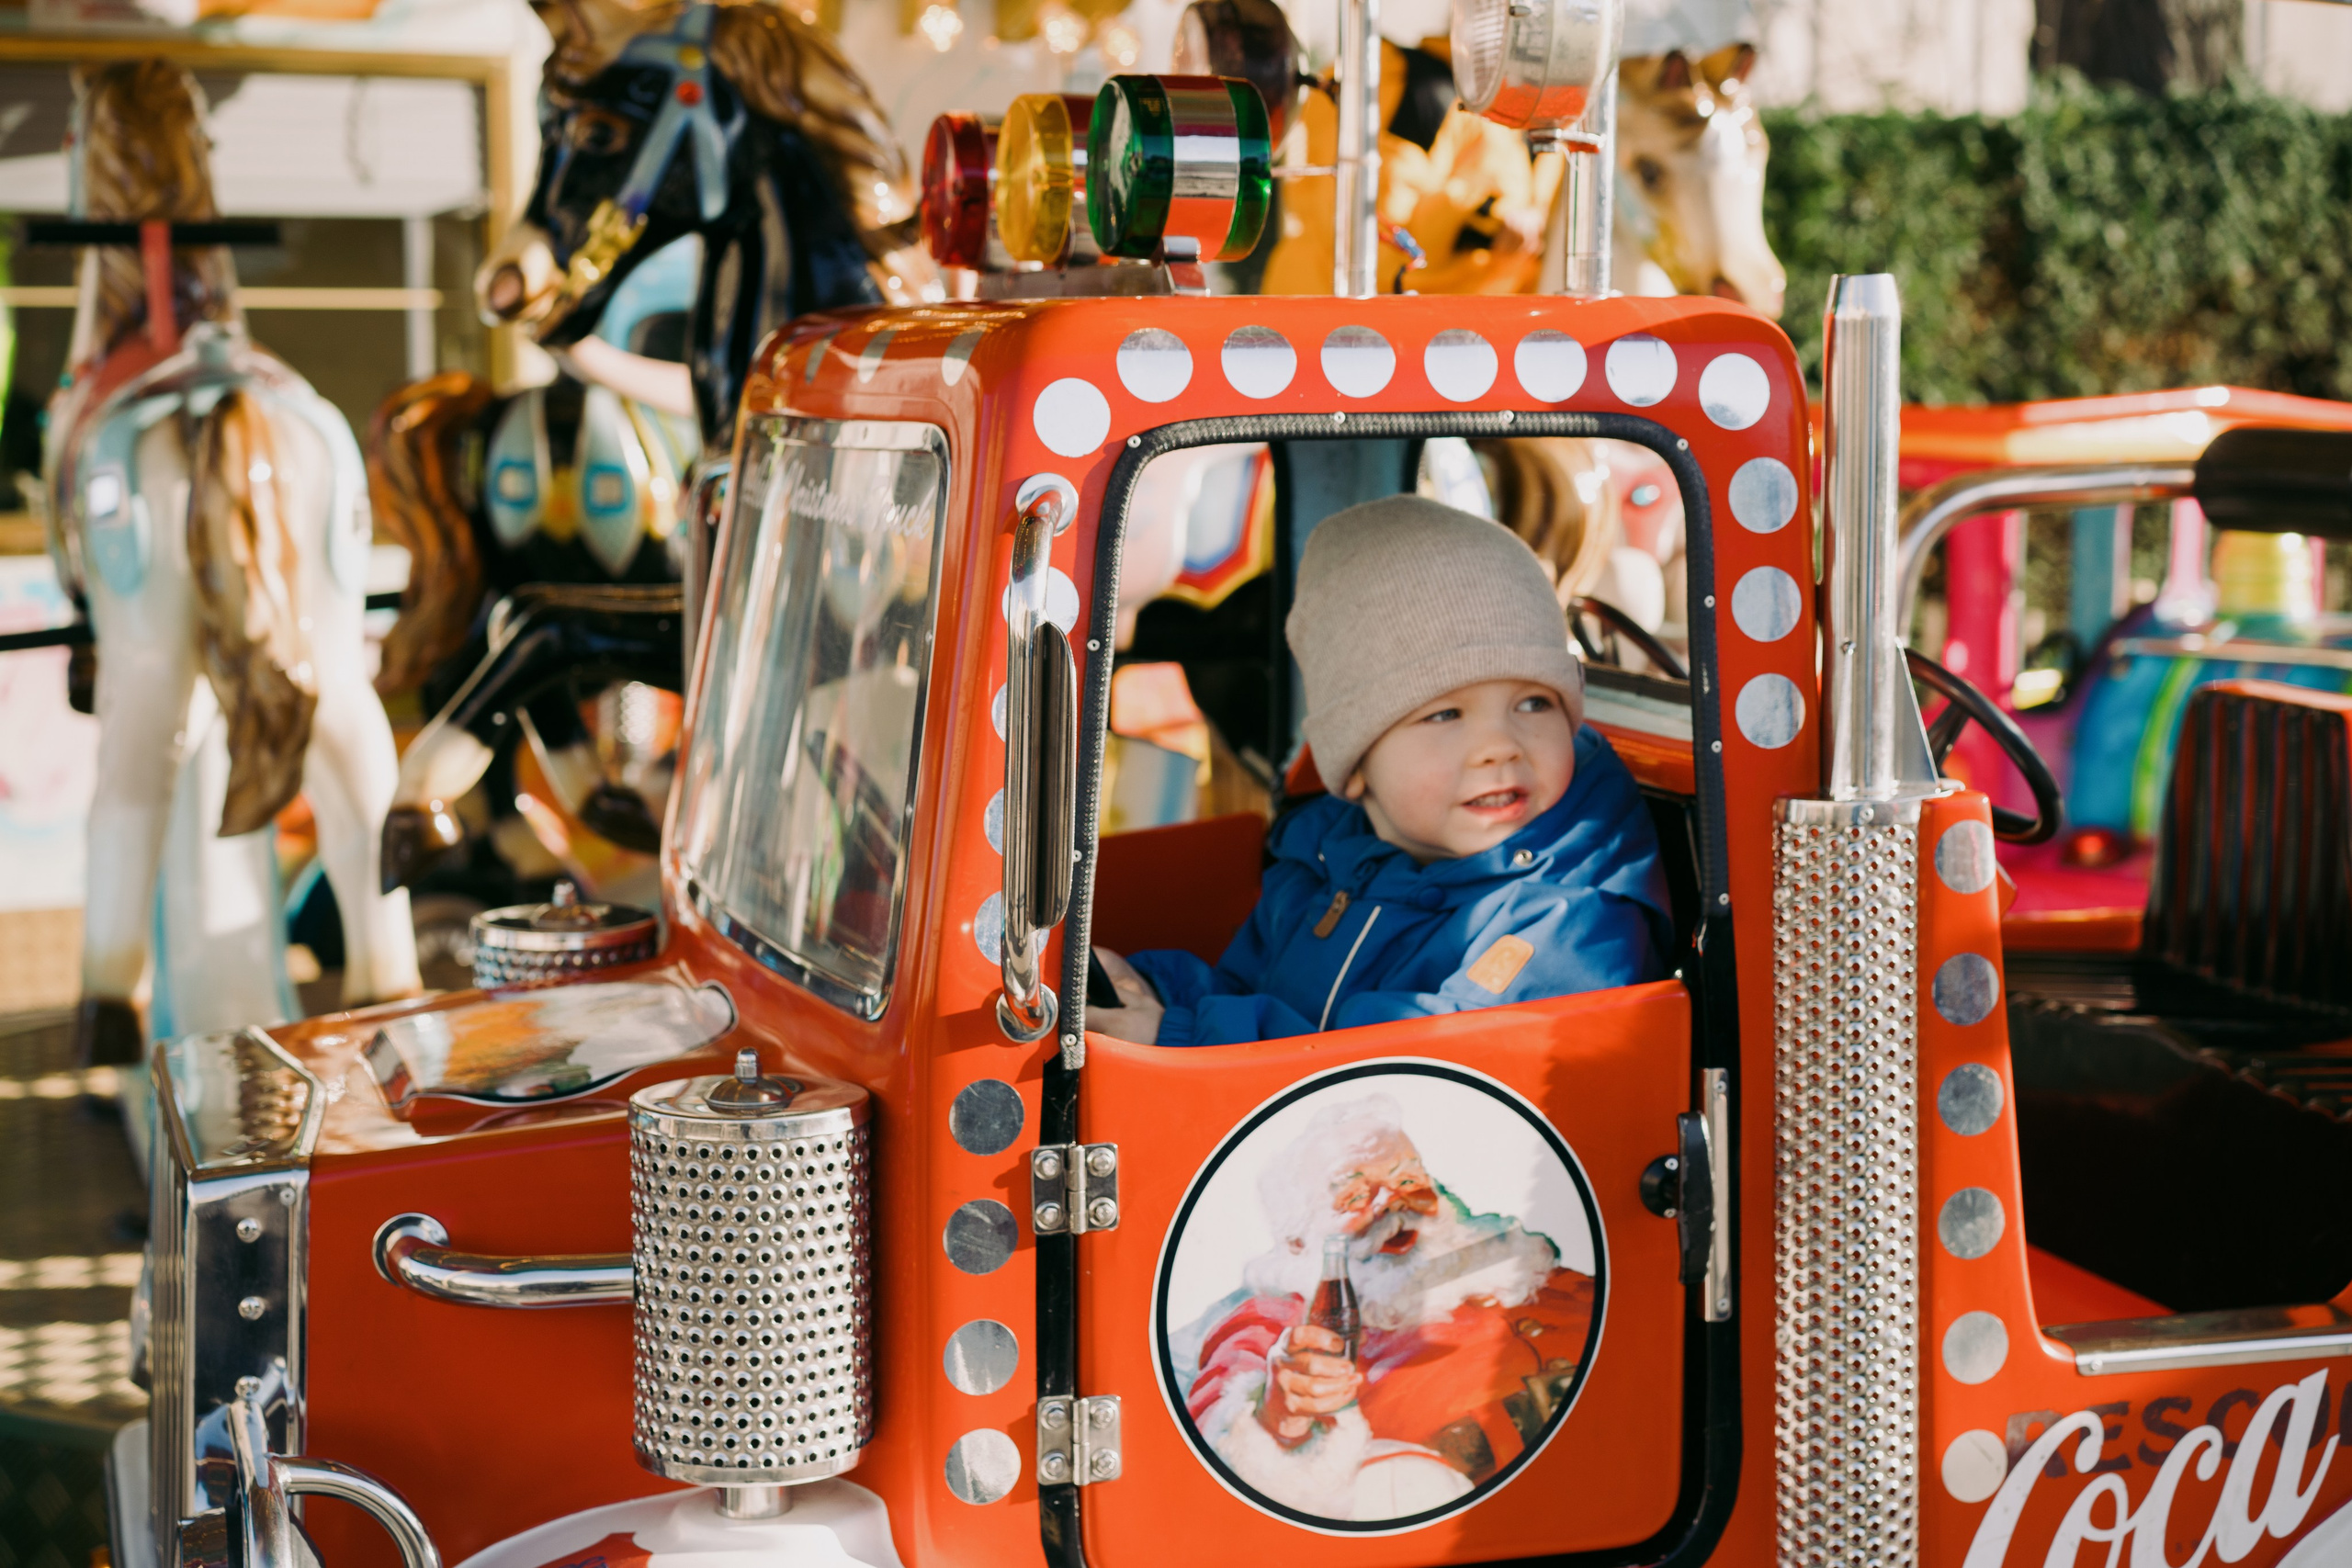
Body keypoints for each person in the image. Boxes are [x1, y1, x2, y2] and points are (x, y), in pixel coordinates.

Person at [1090, 494, 1673, 1048]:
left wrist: (1181, 1035)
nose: (1499, 747)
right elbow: (1246, 993)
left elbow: (1415, 1075)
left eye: (1535, 703)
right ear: (1358, 763)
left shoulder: (1572, 919)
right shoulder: (1324, 860)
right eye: (1445, 714)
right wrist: (1154, 994)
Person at [1170, 1093, 1595, 1520]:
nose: (1393, 1202)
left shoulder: (1511, 1259)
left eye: (1408, 1181)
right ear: (1298, 1241)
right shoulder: (1283, 1316)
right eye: (1354, 1195)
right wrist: (1279, 1415)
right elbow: (1223, 1432)